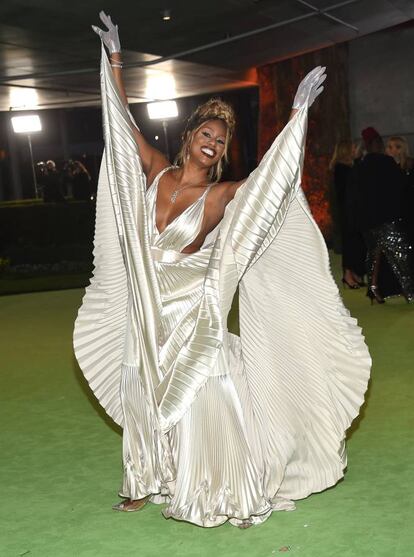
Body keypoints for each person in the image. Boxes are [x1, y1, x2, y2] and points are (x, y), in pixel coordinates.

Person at [74, 12, 371, 528]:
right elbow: (120, 126)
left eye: (221, 140)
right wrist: (115, 59)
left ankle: (212, 482)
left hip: (192, 312)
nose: (213, 143)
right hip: (146, 308)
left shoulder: (220, 194)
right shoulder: (155, 170)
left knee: (203, 396)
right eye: (206, 133)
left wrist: (297, 115)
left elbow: (269, 186)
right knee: (141, 391)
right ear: (190, 135)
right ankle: (145, 479)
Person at [352, 127, 414, 303]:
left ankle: (373, 289)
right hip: (386, 218)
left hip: (367, 221)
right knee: (402, 252)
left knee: (374, 255)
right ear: (378, 144)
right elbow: (400, 188)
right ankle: (409, 291)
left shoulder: (361, 166)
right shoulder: (386, 163)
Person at [329, 141, 366, 288]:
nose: (354, 150)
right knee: (350, 243)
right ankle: (347, 274)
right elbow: (349, 188)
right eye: (352, 148)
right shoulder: (341, 168)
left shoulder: (344, 168)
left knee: (354, 243)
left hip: (350, 211)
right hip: (347, 212)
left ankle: (353, 273)